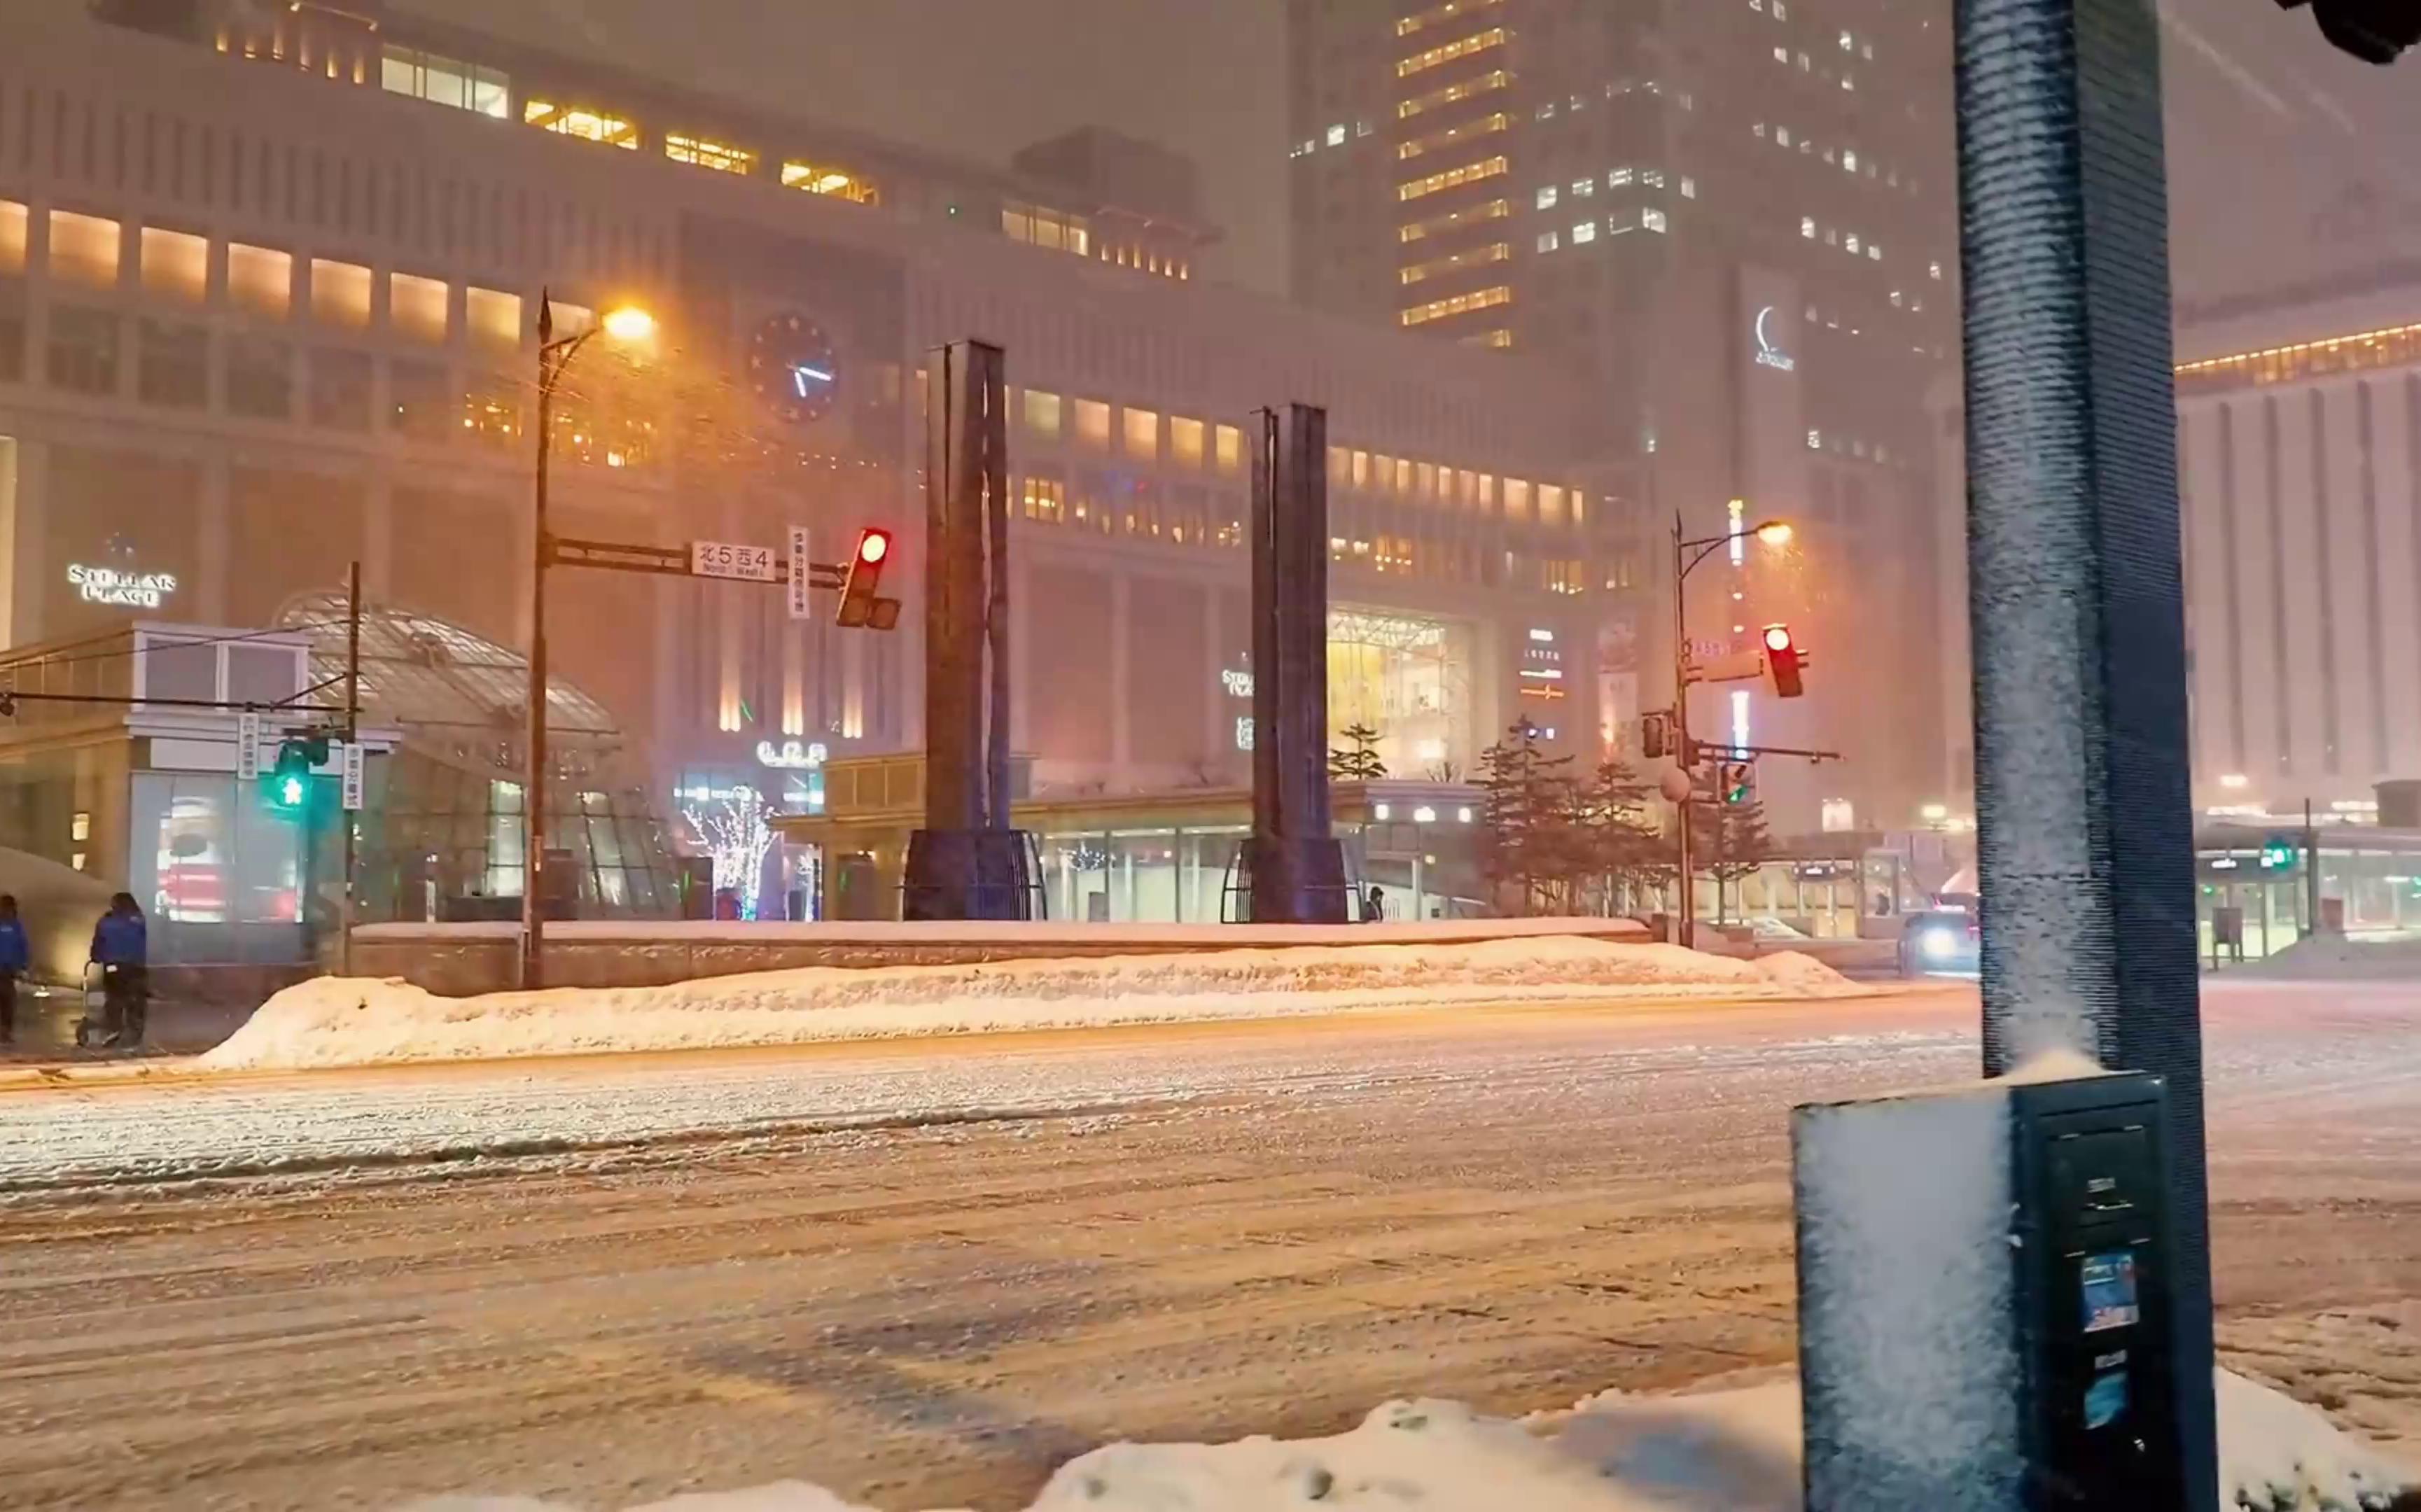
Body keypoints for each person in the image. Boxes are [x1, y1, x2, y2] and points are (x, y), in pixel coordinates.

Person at [90, 893, 147, 1048]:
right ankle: (134, 1035)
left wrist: (96, 956)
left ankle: (114, 1029)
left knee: (114, 998)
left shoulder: (106, 922)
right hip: (136, 966)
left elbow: (99, 942)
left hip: (113, 966)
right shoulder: (140, 921)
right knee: (135, 1001)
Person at [0, 895, 25, 1046]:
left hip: (8, 971)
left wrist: (22, 966)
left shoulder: (16, 926)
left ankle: (6, 1031)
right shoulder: (15, 926)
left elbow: (22, 947)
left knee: (8, 1002)